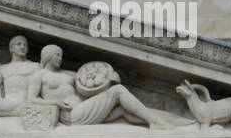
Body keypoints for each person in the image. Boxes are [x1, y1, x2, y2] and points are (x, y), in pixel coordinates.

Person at [26, 43, 162, 127]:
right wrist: (56, 103)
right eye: (57, 55)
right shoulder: (39, 75)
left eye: (61, 55)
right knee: (118, 91)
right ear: (48, 55)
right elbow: (31, 100)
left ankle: (161, 122)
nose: (60, 58)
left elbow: (91, 86)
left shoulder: (69, 74)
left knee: (122, 111)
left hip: (82, 109)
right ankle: (156, 121)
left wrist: (111, 79)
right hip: (70, 115)